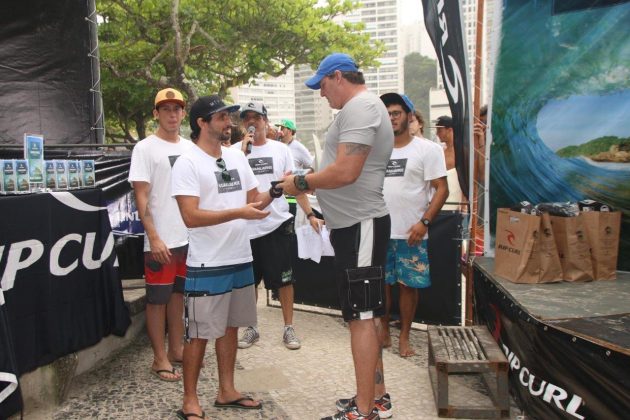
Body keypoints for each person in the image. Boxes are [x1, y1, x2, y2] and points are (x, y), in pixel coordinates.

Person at [278, 53, 394, 420]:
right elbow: (339, 168)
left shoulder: (361, 108)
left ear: (338, 76)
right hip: (355, 225)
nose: (321, 94)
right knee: (369, 315)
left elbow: (346, 172)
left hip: (361, 224)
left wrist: (298, 183)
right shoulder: (361, 108)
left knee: (361, 317)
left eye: (322, 85)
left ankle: (364, 411)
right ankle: (376, 397)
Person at [171, 95, 277, 419]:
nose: (228, 123)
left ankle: (226, 390)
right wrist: (238, 212)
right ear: (201, 123)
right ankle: (190, 399)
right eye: (220, 117)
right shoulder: (187, 162)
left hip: (240, 257)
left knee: (231, 327)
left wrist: (276, 190)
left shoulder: (236, 158)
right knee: (199, 332)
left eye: (228, 117)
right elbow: (190, 216)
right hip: (206, 263)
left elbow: (253, 201)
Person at [233, 102, 319, 351]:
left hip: (277, 224)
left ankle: (288, 327)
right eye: (247, 118)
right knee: (249, 282)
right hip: (247, 227)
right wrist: (242, 154)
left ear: (266, 121)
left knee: (284, 280)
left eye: (256, 117)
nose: (252, 122)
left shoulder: (281, 150)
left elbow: (294, 186)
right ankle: (252, 327)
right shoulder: (236, 153)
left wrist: (310, 214)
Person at [128, 88, 193, 382]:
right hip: (161, 238)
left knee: (178, 296)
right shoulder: (145, 148)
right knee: (157, 300)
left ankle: (176, 349)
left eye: (176, 109)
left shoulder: (191, 147)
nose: (171, 114)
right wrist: (153, 236)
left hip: (188, 238)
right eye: (165, 109)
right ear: (156, 113)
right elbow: (140, 196)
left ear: (183, 113)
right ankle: (159, 358)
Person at [379, 93, 448, 358]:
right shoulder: (377, 150)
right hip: (381, 231)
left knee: (409, 287)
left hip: (412, 233)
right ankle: (384, 329)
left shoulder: (427, 149)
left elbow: (442, 189)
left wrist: (424, 222)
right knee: (382, 285)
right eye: (386, 114)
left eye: (395, 113)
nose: (391, 118)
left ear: (409, 116)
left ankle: (405, 335)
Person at [435, 115, 465, 212]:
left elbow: (467, 178)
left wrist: (464, 201)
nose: (437, 134)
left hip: (459, 200)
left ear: (450, 130)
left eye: (440, 130)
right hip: (443, 199)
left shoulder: (463, 151)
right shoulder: (440, 152)